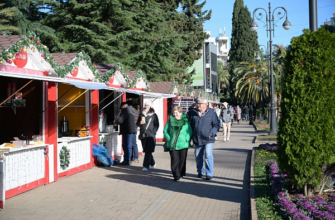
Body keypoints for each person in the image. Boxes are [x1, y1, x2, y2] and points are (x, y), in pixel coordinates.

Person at [189, 97, 220, 180]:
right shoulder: (193, 113)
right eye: (197, 103)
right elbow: (188, 125)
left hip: (208, 139)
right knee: (198, 156)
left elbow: (216, 125)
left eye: (200, 103)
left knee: (208, 155)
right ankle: (200, 171)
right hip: (197, 139)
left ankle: (209, 173)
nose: (198, 105)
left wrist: (211, 133)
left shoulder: (211, 113)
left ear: (205, 105)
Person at [164, 106, 192, 181]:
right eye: (173, 112)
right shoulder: (170, 121)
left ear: (180, 112)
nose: (174, 114)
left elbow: (189, 131)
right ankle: (176, 175)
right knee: (174, 160)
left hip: (183, 144)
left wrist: (187, 139)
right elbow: (165, 130)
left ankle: (181, 173)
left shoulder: (185, 121)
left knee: (182, 160)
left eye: (176, 112)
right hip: (173, 144)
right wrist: (169, 139)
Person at [137, 100, 159, 172]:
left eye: (148, 105)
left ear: (150, 106)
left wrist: (154, 132)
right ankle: (153, 163)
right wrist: (140, 123)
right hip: (143, 135)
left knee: (148, 151)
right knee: (146, 150)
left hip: (151, 135)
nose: (146, 106)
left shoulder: (153, 115)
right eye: (145, 105)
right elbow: (137, 124)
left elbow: (157, 125)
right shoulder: (141, 114)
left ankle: (145, 166)